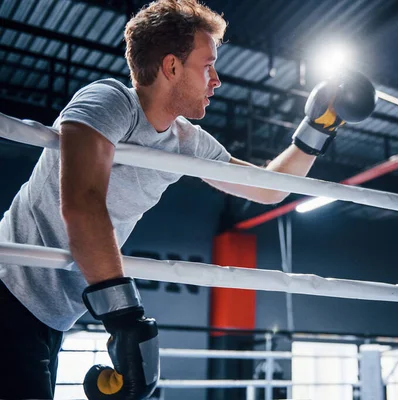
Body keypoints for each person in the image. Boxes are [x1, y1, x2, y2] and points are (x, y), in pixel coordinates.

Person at [0, 0, 377, 398]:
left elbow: (269, 188)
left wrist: (317, 128)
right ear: (171, 67)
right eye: (207, 66)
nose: (216, 80)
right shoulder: (111, 100)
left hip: (53, 317)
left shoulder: (186, 141)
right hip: (8, 291)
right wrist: (125, 316)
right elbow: (82, 202)